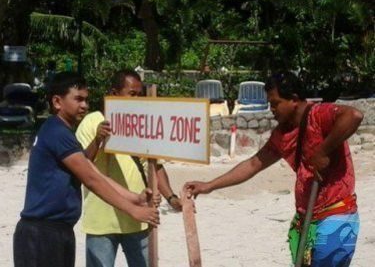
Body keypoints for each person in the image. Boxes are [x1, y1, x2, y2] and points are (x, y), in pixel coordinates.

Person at [185, 72, 364, 267]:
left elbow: (354, 115)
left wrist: (323, 151)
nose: (272, 110)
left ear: (294, 100)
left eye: (275, 103)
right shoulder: (283, 134)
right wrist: (210, 185)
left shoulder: (319, 114)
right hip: (306, 221)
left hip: (335, 218)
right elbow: (253, 164)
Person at [13, 72, 160, 267]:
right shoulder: (57, 132)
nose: (85, 105)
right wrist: (132, 210)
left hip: (58, 231)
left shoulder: (63, 132)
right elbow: (91, 178)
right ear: (57, 102)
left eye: (86, 100)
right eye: (78, 99)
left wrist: (135, 198)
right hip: (42, 233)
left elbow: (91, 170)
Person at [76, 69, 182, 267]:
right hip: (102, 221)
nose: (137, 99)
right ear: (114, 93)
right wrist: (98, 139)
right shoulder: (92, 121)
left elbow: (154, 165)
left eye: (139, 95)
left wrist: (171, 198)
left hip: (140, 218)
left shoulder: (142, 125)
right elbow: (82, 166)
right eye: (132, 94)